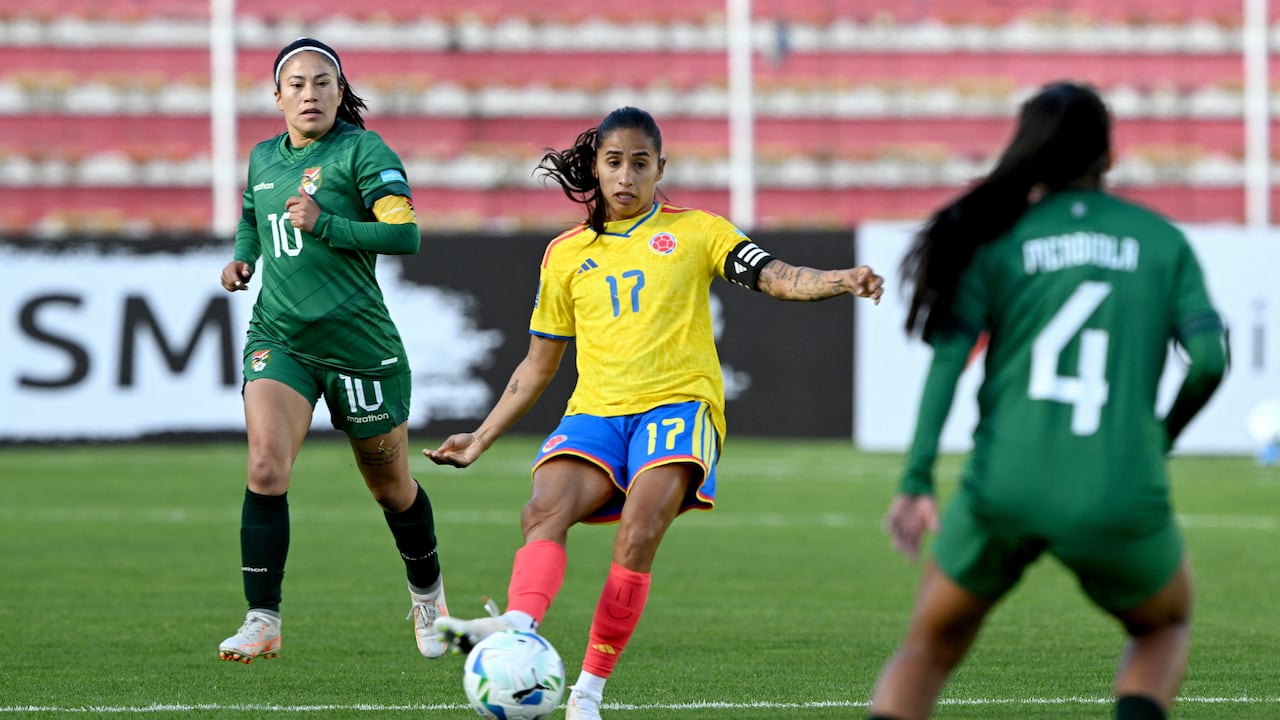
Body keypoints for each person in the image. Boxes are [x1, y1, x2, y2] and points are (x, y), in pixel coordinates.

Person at [423, 106, 885, 719]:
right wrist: (481, 437)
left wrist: (838, 280)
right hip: (596, 412)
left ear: (659, 168)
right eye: (613, 162)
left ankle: (586, 693)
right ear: (595, 166)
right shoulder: (565, 254)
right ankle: (517, 623)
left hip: (678, 407)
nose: (625, 175)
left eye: (640, 163)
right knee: (542, 510)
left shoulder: (697, 231)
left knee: (638, 534)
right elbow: (536, 366)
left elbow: (772, 275)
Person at [867, 81, 1228, 720]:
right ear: (1108, 158)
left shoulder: (999, 239)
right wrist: (1159, 438)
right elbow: (1209, 363)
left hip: (1004, 484)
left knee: (927, 650)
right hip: (1116, 486)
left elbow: (949, 361)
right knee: (1162, 626)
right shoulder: (1162, 241)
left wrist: (917, 477)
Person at [216, 37, 449, 663]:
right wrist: (244, 258)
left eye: (322, 82)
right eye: (296, 85)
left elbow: (405, 234)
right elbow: (251, 215)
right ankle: (262, 618)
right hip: (280, 339)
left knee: (391, 488)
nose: (309, 93)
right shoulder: (263, 157)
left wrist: (329, 225)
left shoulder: (363, 151)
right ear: (277, 97)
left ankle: (428, 597)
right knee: (266, 466)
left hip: (357, 347)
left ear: (340, 92)